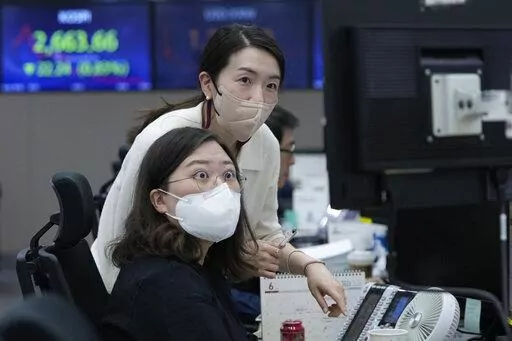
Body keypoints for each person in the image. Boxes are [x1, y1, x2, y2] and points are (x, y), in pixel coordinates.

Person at [91, 23, 346, 317]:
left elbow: (265, 234)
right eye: (245, 80)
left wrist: (309, 266)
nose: (258, 98)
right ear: (208, 84)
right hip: (137, 297)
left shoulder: (265, 143)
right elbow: (130, 244)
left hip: (202, 289)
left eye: (271, 85)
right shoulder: (162, 136)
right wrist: (234, 254)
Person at [100, 127, 253, 340]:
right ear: (160, 200)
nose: (222, 188)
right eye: (201, 175)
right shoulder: (168, 285)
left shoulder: (200, 265)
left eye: (229, 175)